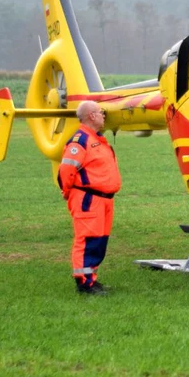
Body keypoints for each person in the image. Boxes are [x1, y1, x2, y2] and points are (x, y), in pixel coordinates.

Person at [58, 101, 122, 295]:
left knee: (99, 242)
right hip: (89, 200)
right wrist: (69, 193)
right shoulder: (80, 141)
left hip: (104, 200)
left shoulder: (98, 139)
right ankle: (84, 284)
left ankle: (91, 279)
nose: (104, 115)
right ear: (92, 116)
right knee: (87, 241)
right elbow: (66, 171)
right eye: (101, 112)